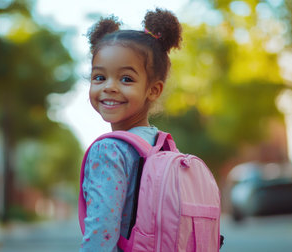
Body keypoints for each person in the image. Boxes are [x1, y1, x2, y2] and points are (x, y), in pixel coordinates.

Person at [80, 8, 182, 251]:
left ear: (153, 90)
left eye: (126, 79)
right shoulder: (161, 145)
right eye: (99, 78)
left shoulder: (108, 150)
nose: (109, 87)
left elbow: (101, 233)